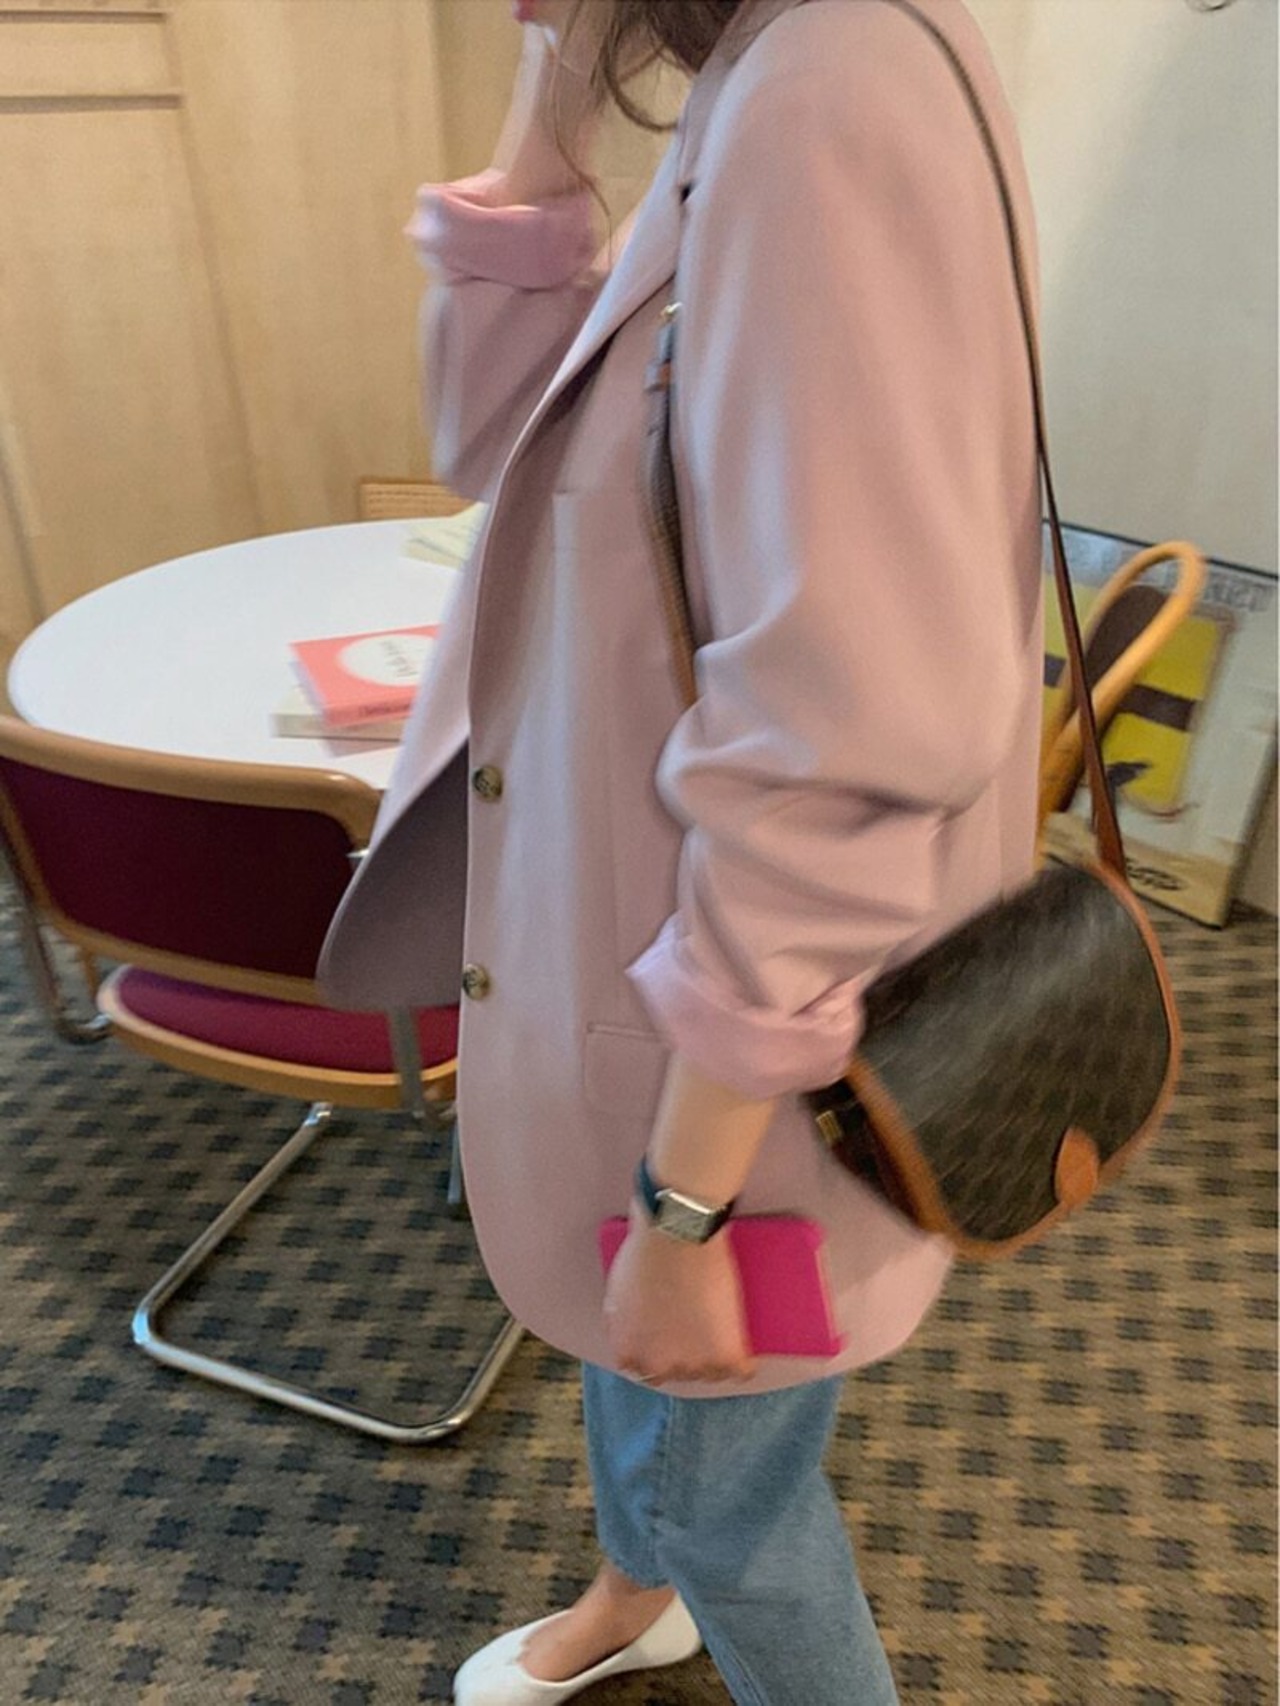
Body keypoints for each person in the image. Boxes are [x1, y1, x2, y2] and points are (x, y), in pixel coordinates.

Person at [319, 0, 1044, 1700]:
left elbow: (844, 731)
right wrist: (553, 87)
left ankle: (682, 1579)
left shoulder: (829, 88)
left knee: (737, 1505)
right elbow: (491, 444)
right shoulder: (759, 72)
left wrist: (689, 1199)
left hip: (745, 1030)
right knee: (643, 1369)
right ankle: (634, 1591)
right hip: (651, 961)